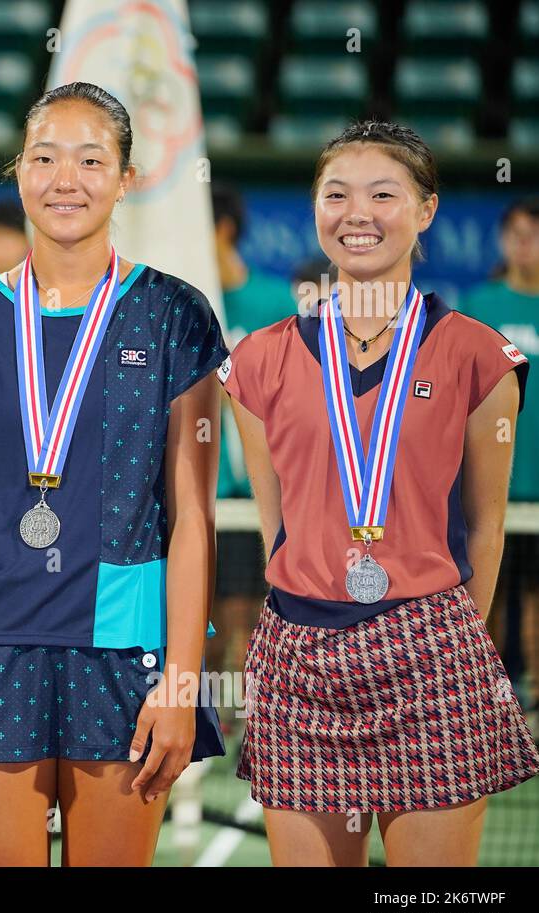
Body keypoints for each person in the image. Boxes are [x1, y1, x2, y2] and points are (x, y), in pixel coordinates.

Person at [0, 82, 228, 867]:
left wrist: (181, 682)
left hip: (126, 652)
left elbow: (193, 517)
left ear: (125, 177)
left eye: (91, 159)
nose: (65, 179)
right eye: (44, 157)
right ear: (18, 172)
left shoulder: (174, 314)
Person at [222, 120, 539, 867]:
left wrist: (445, 639)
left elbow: (485, 529)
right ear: (315, 208)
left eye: (383, 194)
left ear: (425, 210)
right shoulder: (258, 360)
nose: (356, 213)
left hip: (431, 653)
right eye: (335, 194)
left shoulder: (479, 354)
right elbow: (282, 527)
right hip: (296, 658)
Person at [461, 197, 539, 739]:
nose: (524, 242)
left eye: (536, 232)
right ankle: (481, 701)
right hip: (492, 488)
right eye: (514, 232)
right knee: (486, 590)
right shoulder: (481, 305)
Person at [209, 184, 298, 702]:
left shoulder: (274, 302)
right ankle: (212, 714)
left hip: (259, 489)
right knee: (205, 608)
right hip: (199, 487)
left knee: (252, 604)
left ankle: (253, 710)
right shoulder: (181, 300)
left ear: (222, 229)